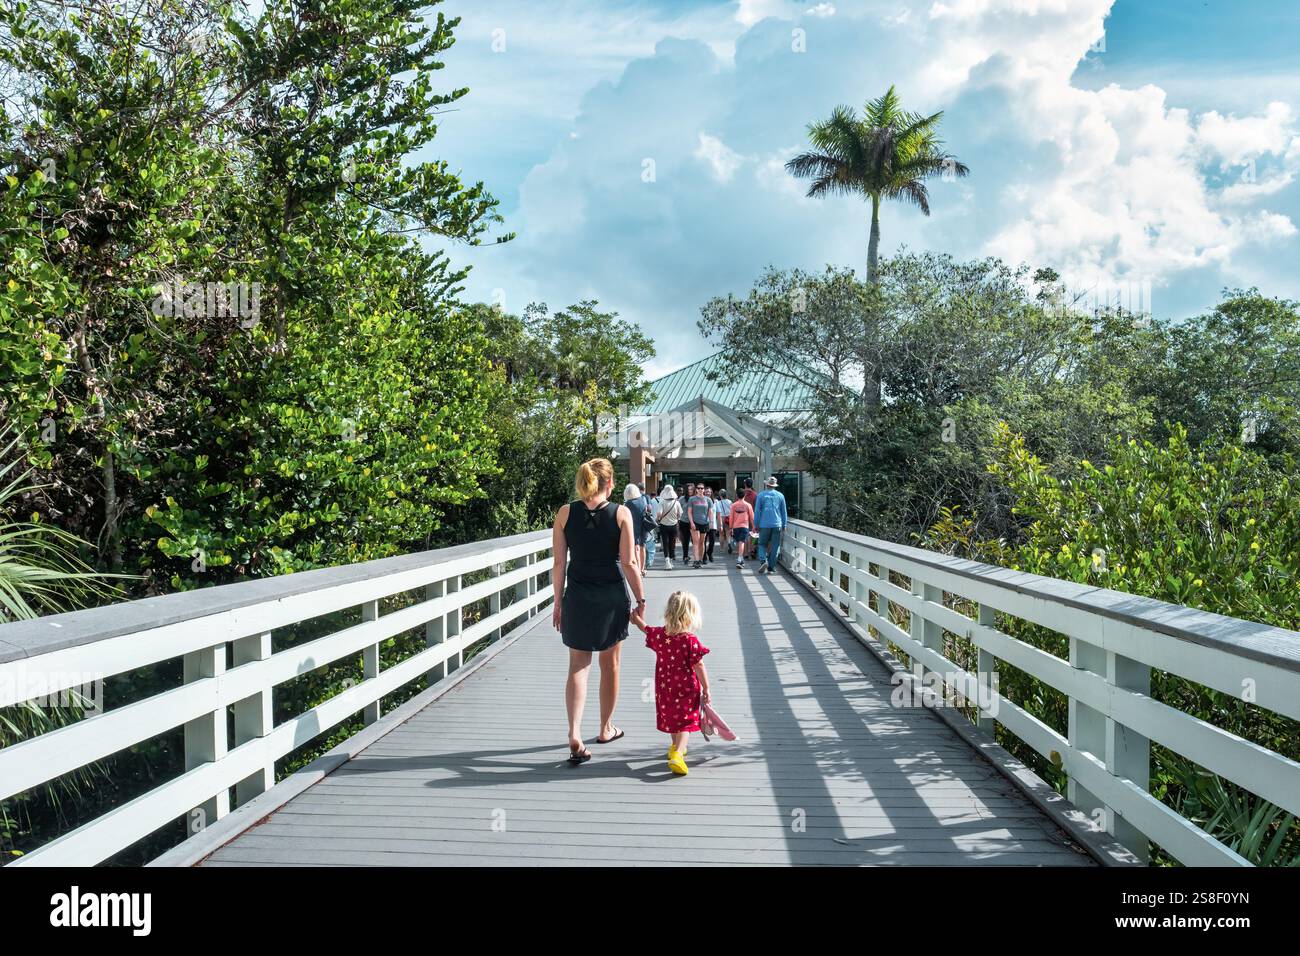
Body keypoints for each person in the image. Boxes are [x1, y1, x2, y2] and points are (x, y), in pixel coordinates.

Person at [551, 458, 646, 764]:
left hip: (577, 596)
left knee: (578, 666)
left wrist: (557, 602)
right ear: (610, 483)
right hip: (611, 596)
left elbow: (558, 564)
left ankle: (574, 732)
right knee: (610, 664)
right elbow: (630, 562)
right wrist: (641, 599)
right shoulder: (621, 513)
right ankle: (606, 728)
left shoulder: (566, 513)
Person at [630, 590, 711, 777]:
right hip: (686, 688)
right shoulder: (690, 640)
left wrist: (636, 620)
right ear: (690, 615)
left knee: (673, 717)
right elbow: (698, 665)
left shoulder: (661, 635)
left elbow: (647, 630)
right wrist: (706, 688)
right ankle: (678, 752)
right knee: (686, 722)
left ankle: (675, 746)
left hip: (664, 687)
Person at [754, 475, 788, 574]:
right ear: (774, 486)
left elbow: (757, 511)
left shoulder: (761, 495)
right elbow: (783, 511)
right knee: (775, 546)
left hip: (764, 524)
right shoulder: (780, 496)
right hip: (777, 524)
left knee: (762, 544)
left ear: (766, 485)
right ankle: (771, 567)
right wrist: (784, 524)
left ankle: (763, 561)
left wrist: (756, 524)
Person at [623, 483, 648, 576]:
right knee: (643, 546)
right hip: (644, 525)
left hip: (633, 526)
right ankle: (642, 568)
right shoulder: (642, 500)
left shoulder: (628, 503)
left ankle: (637, 569)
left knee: (636, 548)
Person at [656, 484, 682, 570]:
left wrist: (658, 518)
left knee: (665, 543)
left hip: (663, 525)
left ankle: (667, 561)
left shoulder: (662, 502)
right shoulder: (676, 502)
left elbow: (659, 513)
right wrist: (676, 518)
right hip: (674, 525)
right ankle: (671, 560)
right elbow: (680, 514)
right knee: (672, 543)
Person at [728, 490, 755, 569]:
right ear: (744, 495)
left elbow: (731, 517)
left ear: (736, 495)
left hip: (736, 526)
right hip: (744, 526)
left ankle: (741, 559)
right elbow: (752, 517)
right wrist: (753, 526)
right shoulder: (748, 505)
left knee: (740, 543)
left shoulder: (733, 505)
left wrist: (730, 527)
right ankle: (740, 559)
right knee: (741, 542)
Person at [686, 484, 711, 568]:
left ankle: (700, 559)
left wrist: (711, 522)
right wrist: (692, 522)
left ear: (704, 490)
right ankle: (696, 560)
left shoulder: (708, 500)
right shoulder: (692, 499)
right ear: (696, 489)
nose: (700, 489)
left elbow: (710, 512)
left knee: (702, 542)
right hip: (695, 522)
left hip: (705, 523)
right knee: (696, 542)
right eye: (699, 488)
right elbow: (689, 512)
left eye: (702, 488)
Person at [641, 483, 658, 571]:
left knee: (640, 545)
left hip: (637, 524)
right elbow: (649, 508)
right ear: (644, 489)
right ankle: (649, 562)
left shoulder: (631, 499)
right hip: (647, 523)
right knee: (650, 544)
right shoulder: (646, 497)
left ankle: (641, 563)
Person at [677, 482, 694, 566]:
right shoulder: (682, 499)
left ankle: (697, 557)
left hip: (695, 522)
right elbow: (678, 510)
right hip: (684, 522)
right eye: (688, 489)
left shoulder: (696, 498)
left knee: (695, 541)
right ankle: (685, 556)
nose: (690, 491)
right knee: (686, 541)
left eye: (691, 489)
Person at [703, 487, 718, 563]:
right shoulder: (702, 501)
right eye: (706, 492)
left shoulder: (715, 502)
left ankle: (709, 552)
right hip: (704, 523)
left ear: (711, 493)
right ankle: (704, 556)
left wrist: (720, 525)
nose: (707, 493)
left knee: (712, 541)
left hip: (713, 525)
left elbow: (718, 514)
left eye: (709, 492)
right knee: (703, 541)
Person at [716, 490, 733, 554]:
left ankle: (722, 548)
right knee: (728, 532)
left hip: (720, 518)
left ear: (720, 495)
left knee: (721, 534)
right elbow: (732, 510)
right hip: (728, 518)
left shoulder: (718, 502)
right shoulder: (729, 501)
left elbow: (717, 512)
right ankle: (729, 543)